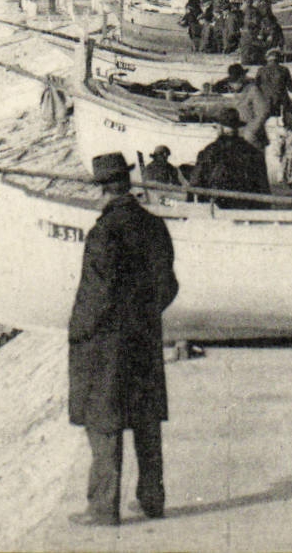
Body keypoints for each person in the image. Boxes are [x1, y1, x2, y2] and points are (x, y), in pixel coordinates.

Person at [67, 153, 178, 527]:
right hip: (143, 338)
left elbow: (94, 296)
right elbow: (168, 286)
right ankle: (152, 500)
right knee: (146, 422)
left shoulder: (103, 233)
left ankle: (103, 508)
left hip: (108, 346)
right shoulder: (154, 226)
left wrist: (79, 332)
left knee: (104, 424)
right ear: (127, 185)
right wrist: (145, 314)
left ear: (102, 190)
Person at [192, 112, 271, 209]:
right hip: (247, 209)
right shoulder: (253, 152)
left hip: (217, 208)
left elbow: (195, 183)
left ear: (219, 128)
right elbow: (264, 188)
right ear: (238, 128)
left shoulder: (210, 152)